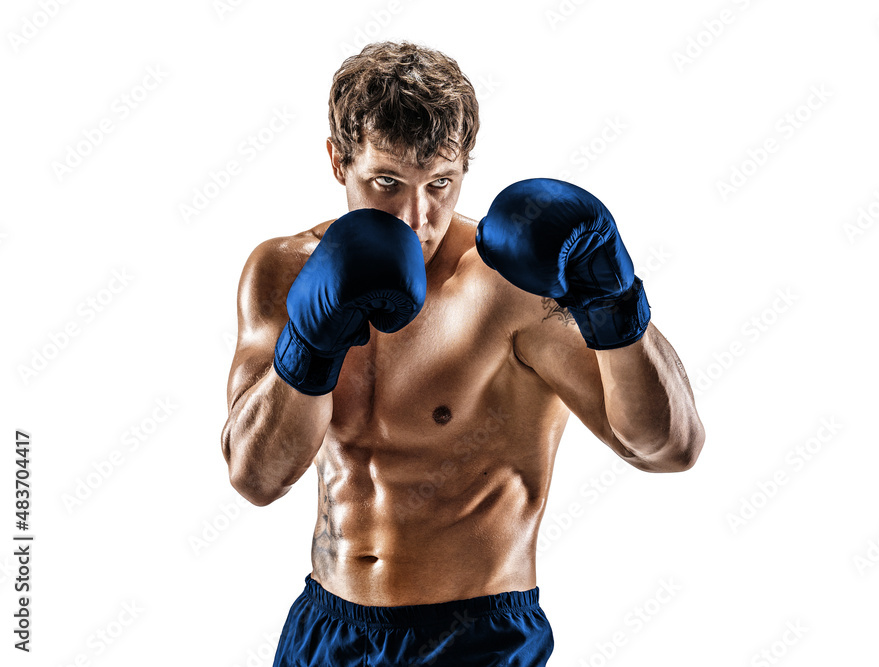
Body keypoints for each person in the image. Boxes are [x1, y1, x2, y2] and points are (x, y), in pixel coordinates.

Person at [221, 40, 705, 667]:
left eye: (440, 183)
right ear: (339, 162)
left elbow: (668, 448)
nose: (416, 217)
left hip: (475, 637)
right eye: (386, 183)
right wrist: (310, 342)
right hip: (327, 629)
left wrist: (613, 303)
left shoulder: (512, 286)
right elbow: (255, 478)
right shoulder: (282, 272)